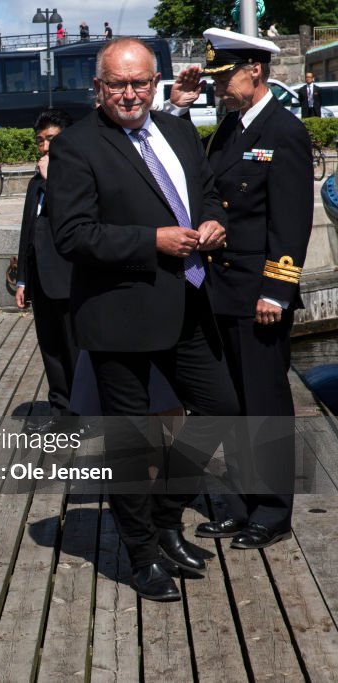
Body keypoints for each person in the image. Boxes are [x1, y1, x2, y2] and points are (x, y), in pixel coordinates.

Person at [47, 38, 239, 601]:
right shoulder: (76, 146)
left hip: (189, 303)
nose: (130, 94)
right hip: (120, 314)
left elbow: (206, 194)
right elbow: (72, 235)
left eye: (139, 83)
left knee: (223, 409)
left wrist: (213, 222)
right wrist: (151, 241)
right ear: (98, 87)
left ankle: (165, 517)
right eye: (117, 84)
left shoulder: (177, 131)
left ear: (156, 83)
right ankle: (141, 554)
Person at [170, 29, 312, 549]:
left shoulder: (285, 131)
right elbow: (193, 174)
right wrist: (180, 110)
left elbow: (290, 221)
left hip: (258, 294)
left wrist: (277, 290)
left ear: (254, 70)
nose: (218, 86)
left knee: (264, 402)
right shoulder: (229, 128)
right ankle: (241, 503)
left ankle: (272, 511)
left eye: (224, 76)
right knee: (231, 400)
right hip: (219, 291)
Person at [15, 109, 77, 420]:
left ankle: (84, 411)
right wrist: (22, 279)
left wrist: (54, 180)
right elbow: (27, 233)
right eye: (40, 140)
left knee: (74, 348)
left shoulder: (77, 179)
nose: (44, 146)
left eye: (51, 139)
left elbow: (75, 217)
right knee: (50, 348)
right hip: (40, 280)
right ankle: (60, 409)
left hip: (69, 278)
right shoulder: (34, 183)